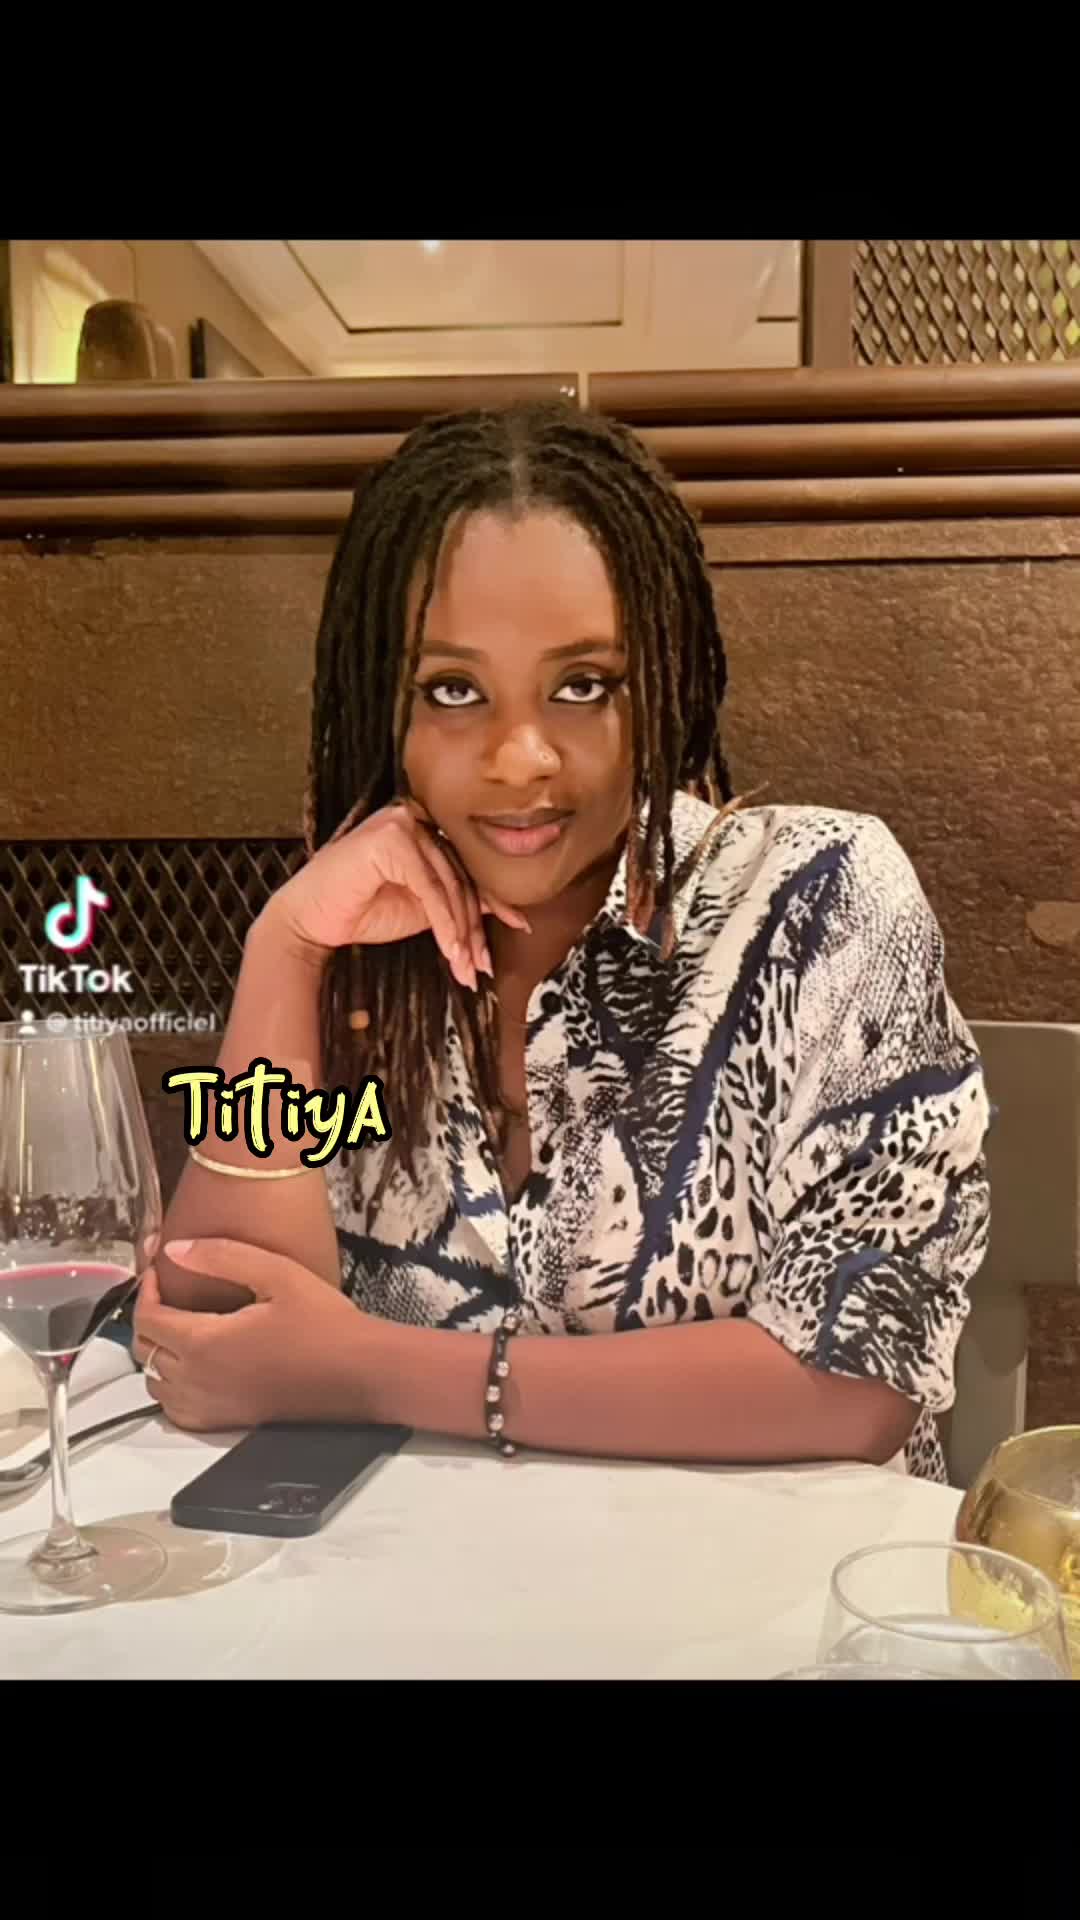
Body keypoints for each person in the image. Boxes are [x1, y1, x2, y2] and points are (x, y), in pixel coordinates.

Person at [133, 402, 990, 1482]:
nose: (521, 757)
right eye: (453, 691)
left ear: (663, 684)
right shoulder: (356, 941)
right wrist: (284, 951)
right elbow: (212, 1338)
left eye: (584, 686)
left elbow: (856, 1385)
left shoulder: (819, 901)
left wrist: (365, 1369)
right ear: (383, 706)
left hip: (774, 1585)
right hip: (427, 1579)